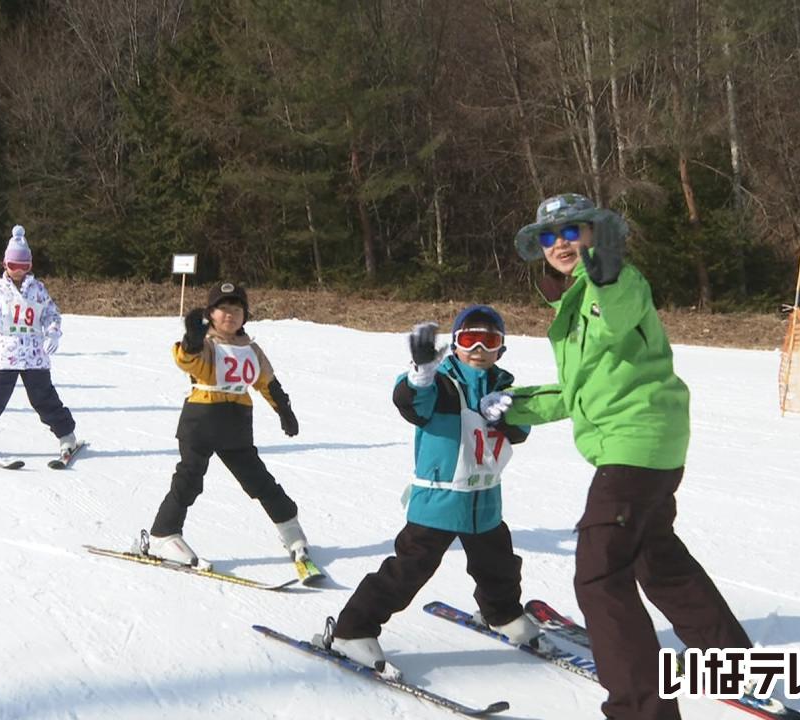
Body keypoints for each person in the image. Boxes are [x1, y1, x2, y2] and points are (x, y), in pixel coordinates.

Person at [504, 193, 752, 720]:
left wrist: (609, 274)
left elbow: (616, 311)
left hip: (634, 447)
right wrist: (514, 406)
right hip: (651, 444)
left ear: (597, 234)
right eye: (549, 237)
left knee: (599, 574)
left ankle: (642, 711)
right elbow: (580, 392)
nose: (561, 244)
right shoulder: (570, 307)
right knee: (654, 555)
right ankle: (731, 660)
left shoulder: (616, 284)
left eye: (573, 231)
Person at [321, 305, 536, 678]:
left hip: (484, 500)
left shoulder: (504, 389)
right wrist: (421, 372)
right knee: (408, 570)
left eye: (490, 340)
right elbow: (412, 404)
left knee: (498, 566)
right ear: (455, 345)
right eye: (470, 339)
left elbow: (521, 432)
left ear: (501, 349)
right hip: (439, 499)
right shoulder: (442, 385)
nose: (479, 348)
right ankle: (351, 630)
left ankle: (501, 614)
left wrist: (509, 419)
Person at [144, 282, 308, 569]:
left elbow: (266, 382)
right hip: (201, 421)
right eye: (222, 309)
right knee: (190, 479)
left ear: (245, 316)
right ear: (211, 314)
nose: (229, 315)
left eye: (236, 309)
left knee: (259, 480)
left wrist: (284, 410)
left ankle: (290, 527)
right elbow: (186, 360)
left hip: (236, 425)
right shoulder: (207, 344)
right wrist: (192, 340)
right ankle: (163, 533)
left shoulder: (252, 349)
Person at [0, 226, 77, 457]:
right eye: (13, 265)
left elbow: (52, 314)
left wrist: (52, 332)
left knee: (44, 399)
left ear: (30, 266)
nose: (18, 271)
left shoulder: (38, 289)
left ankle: (67, 434)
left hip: (34, 356)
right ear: (5, 265)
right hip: (6, 355)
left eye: (24, 266)